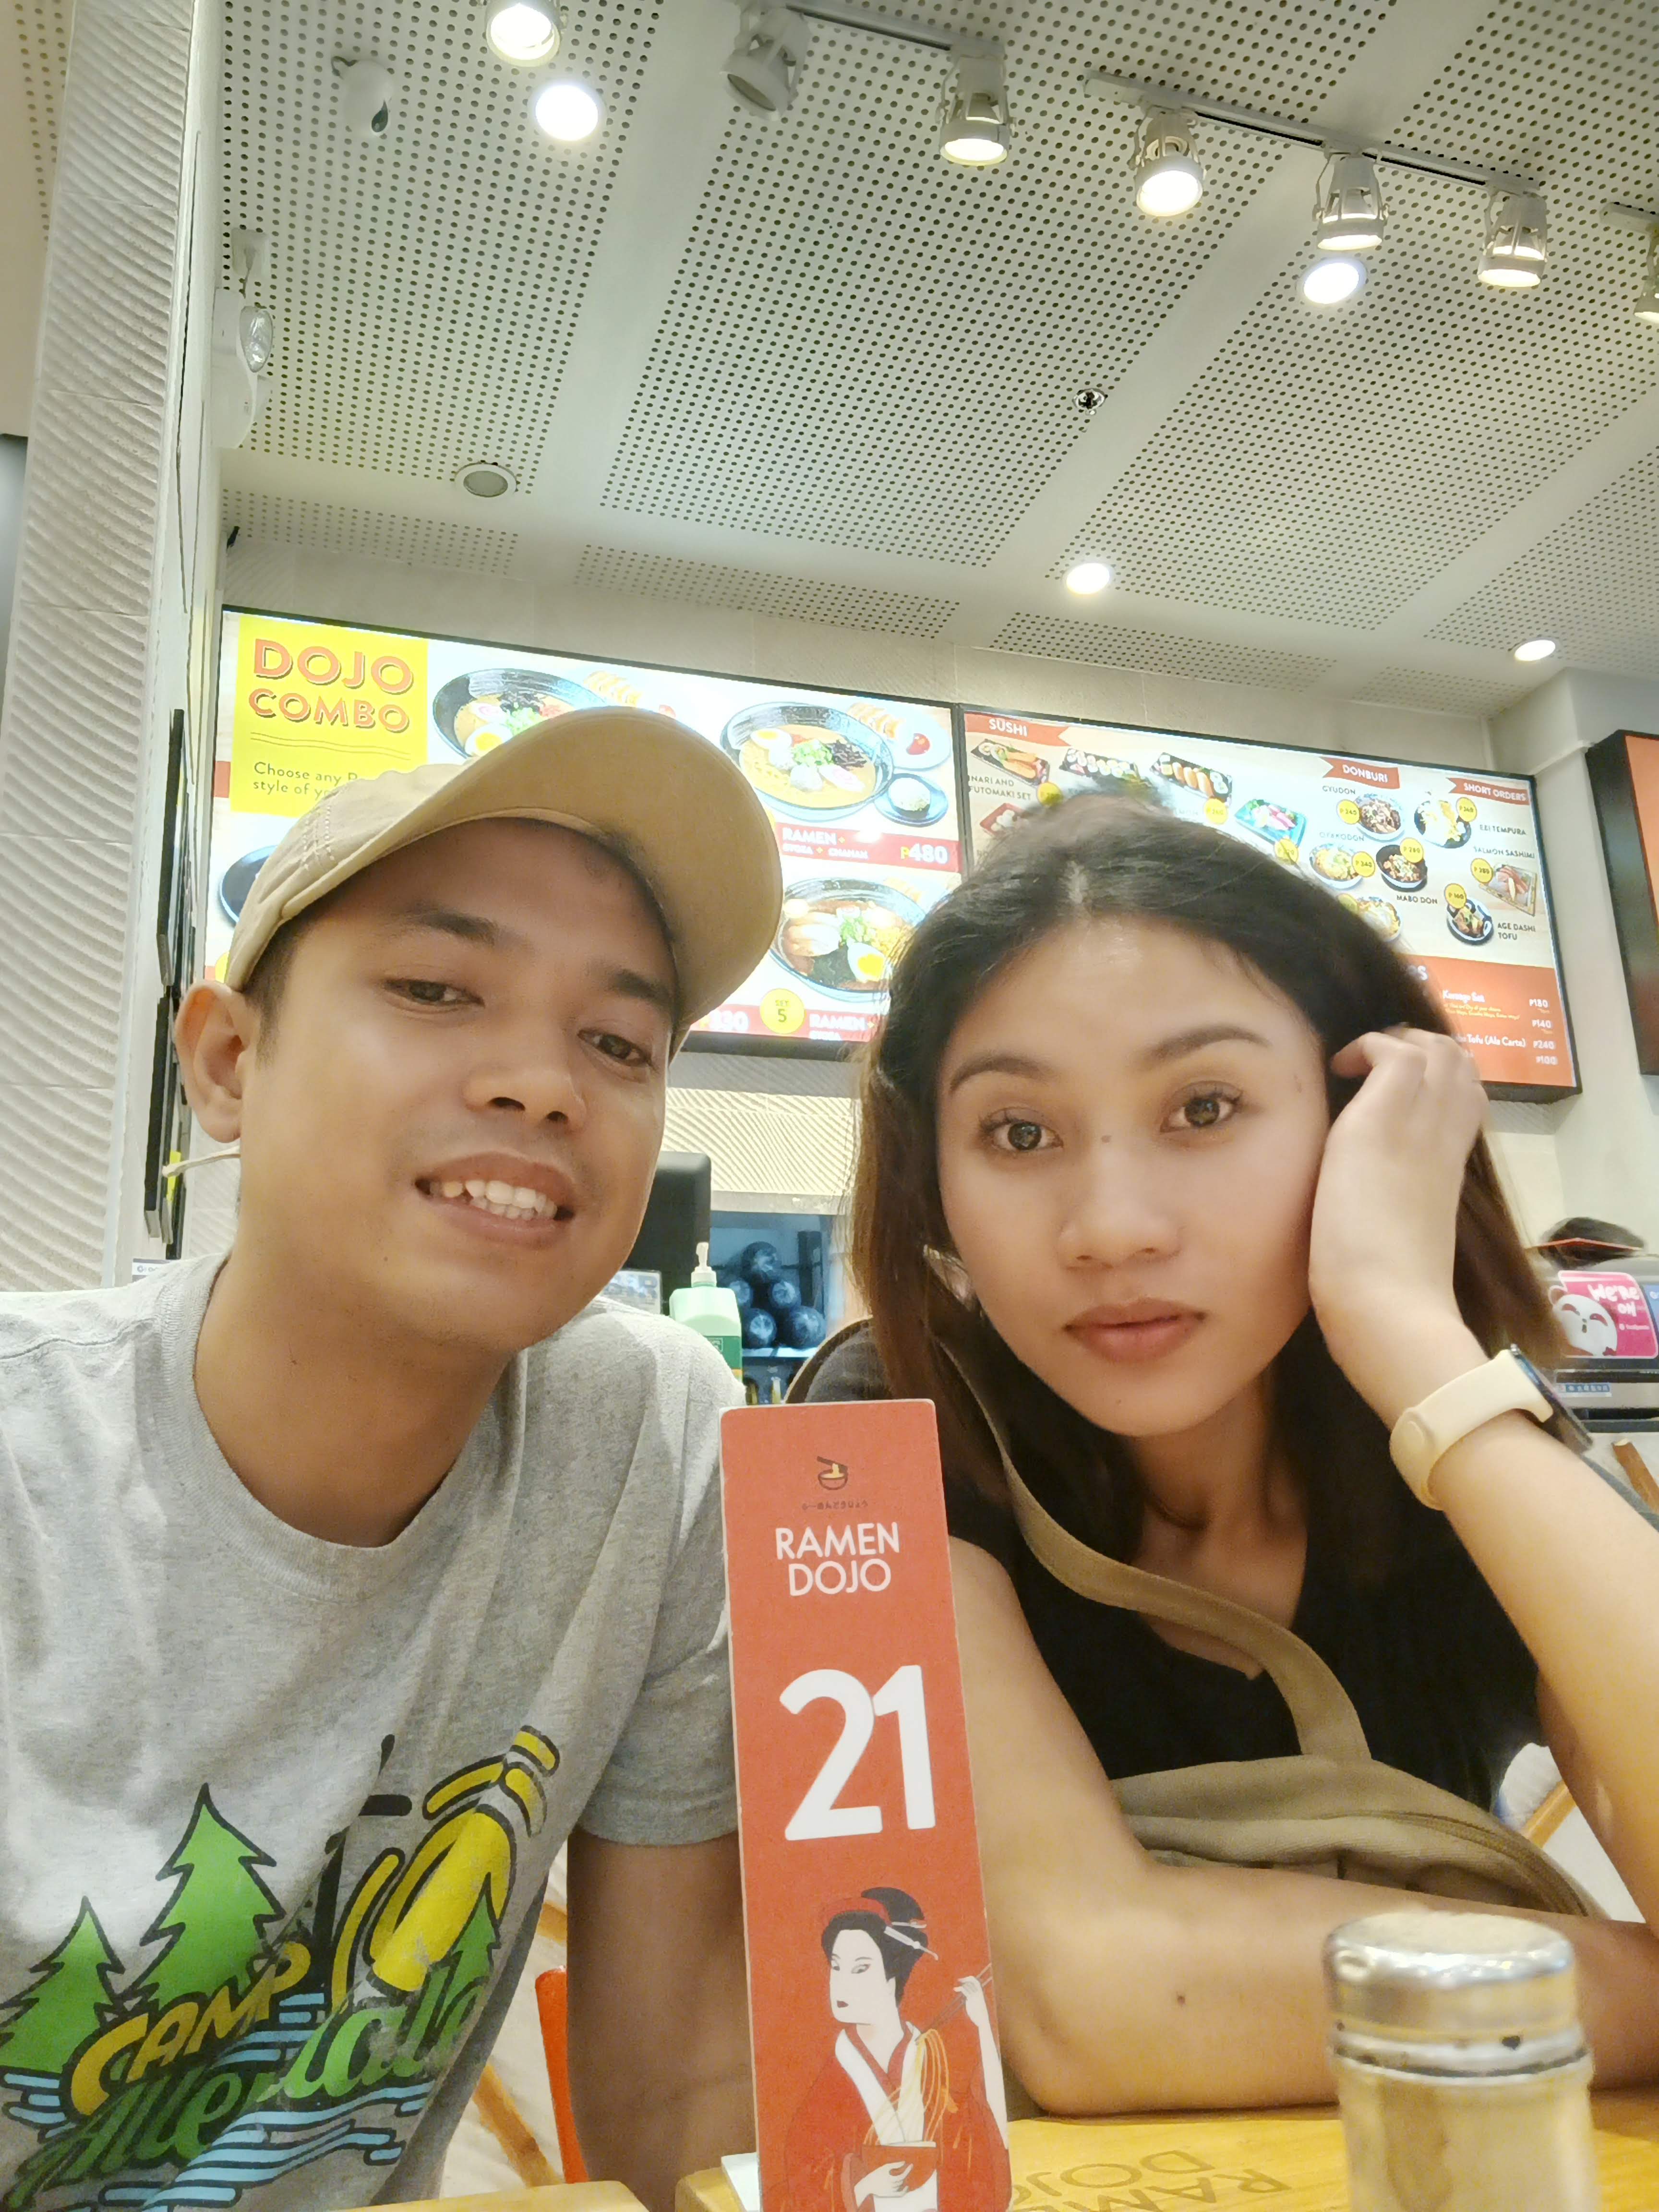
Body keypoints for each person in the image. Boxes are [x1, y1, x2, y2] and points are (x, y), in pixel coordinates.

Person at [0, 709, 782, 2212]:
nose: (542, 1084)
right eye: (437, 989)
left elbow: (673, 2104)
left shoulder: (652, 1438)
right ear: (229, 1063)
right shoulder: (29, 1462)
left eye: (618, 1042)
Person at [807, 794, 1659, 2110]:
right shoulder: (879, 1427)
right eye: (1019, 1133)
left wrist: (1403, 1327)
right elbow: (1089, 1998)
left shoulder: (1453, 1436)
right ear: (933, 1178)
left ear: (1354, 1117)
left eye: (1203, 1106)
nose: (1111, 1228)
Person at [781, 1889, 1009, 2212]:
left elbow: (986, 2137)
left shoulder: (930, 2064)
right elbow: (805, 2175)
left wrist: (983, 2027)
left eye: (860, 1968)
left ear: (892, 1977)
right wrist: (863, 2186)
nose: (840, 1983)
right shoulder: (832, 2083)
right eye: (836, 1966)